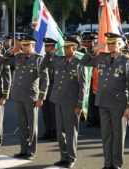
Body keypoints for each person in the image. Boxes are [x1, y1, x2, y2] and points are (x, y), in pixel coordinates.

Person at [81, 32, 129, 169]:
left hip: (119, 103)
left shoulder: (127, 61)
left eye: (114, 43)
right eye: (109, 43)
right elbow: (84, 62)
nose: (111, 45)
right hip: (103, 101)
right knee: (106, 135)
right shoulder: (102, 57)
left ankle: (117, 164)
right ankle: (107, 164)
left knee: (118, 136)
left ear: (120, 44)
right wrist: (93, 49)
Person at [41, 35, 87, 168]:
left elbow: (82, 85)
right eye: (64, 47)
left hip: (71, 102)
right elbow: (43, 66)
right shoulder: (59, 60)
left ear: (74, 48)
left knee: (71, 131)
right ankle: (63, 156)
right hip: (58, 99)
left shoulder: (79, 63)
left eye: (67, 47)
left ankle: (71, 157)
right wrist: (50, 54)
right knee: (60, 131)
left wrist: (80, 104)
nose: (65, 49)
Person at [2, 35, 49, 160]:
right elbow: (3, 61)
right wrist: (11, 52)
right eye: (22, 45)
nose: (23, 47)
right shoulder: (18, 57)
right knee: (22, 124)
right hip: (18, 95)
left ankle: (31, 151)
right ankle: (23, 149)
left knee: (32, 125)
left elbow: (45, 80)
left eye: (26, 45)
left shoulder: (39, 59)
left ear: (32, 46)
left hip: (31, 96)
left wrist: (41, 97)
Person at [38, 37, 57, 141]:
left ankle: (55, 132)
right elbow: (42, 67)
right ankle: (48, 130)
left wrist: (51, 55)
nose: (46, 48)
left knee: (53, 112)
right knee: (45, 112)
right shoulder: (44, 58)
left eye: (48, 46)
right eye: (45, 46)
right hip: (44, 89)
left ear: (53, 47)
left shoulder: (57, 58)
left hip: (53, 88)